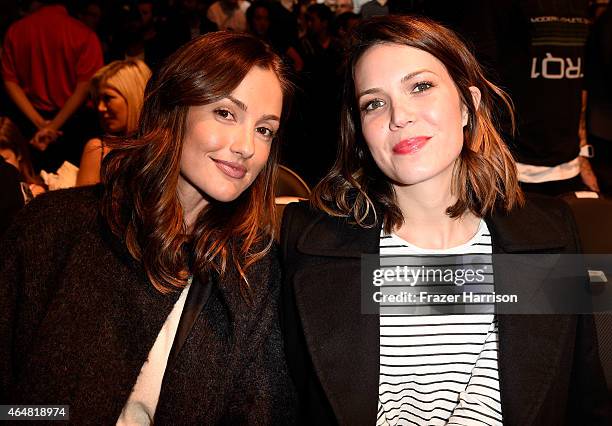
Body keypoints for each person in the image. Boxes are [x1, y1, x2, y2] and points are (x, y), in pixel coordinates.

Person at [281, 15, 610, 425]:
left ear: (469, 105)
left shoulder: (552, 233)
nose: (399, 116)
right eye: (374, 102)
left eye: (420, 86)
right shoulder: (305, 241)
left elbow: (587, 403)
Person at [0, 31, 295, 424]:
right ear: (174, 110)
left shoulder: (254, 269)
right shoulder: (54, 228)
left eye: (264, 130)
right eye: (226, 113)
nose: (247, 146)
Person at [1, 0, 103, 172]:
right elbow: (86, 86)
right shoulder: (84, 34)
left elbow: (9, 81)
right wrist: (53, 126)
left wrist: (40, 123)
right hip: (72, 125)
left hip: (29, 124)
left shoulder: (16, 31)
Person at [76, 59, 151, 186]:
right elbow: (82, 205)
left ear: (133, 97)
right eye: (97, 100)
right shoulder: (98, 150)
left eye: (108, 98)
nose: (100, 107)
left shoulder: (161, 146)